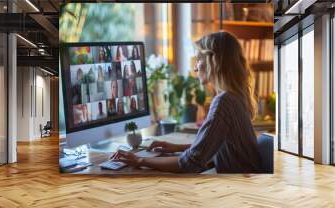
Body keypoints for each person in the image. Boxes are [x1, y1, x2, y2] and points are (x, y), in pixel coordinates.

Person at [111, 32, 262, 173]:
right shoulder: (235, 97)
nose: (195, 67)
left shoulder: (224, 102)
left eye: (198, 60)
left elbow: (190, 163)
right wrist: (176, 147)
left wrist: (140, 160)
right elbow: (209, 147)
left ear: (212, 61)